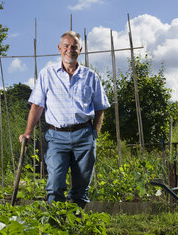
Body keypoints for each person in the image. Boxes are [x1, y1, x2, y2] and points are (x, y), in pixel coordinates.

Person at [19, 30, 110, 208]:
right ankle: (56, 226)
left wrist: (94, 134)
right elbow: (37, 106)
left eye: (74, 47)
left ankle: (75, 225)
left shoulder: (91, 77)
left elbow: (100, 108)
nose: (70, 50)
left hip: (84, 135)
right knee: (54, 185)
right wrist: (28, 132)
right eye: (66, 46)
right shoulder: (47, 74)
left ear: (80, 50)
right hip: (56, 136)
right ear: (59, 48)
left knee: (81, 188)